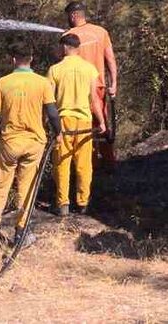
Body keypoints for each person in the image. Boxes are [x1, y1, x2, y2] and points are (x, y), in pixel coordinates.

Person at [0, 49, 60, 247]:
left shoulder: (3, 82)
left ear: (13, 59)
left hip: (10, 143)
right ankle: (21, 234)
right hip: (34, 143)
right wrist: (58, 132)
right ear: (31, 59)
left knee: (0, 187)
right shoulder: (43, 83)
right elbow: (52, 112)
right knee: (27, 188)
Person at [47, 33, 105, 216]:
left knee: (62, 163)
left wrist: (45, 123)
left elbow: (48, 101)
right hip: (84, 121)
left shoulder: (54, 70)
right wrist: (102, 122)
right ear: (77, 48)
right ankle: (83, 202)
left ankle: (62, 203)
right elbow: (95, 99)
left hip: (63, 122)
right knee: (83, 164)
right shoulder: (90, 69)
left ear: (64, 47)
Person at [62, 1, 119, 165]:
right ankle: (110, 163)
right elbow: (111, 60)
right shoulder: (101, 32)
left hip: (77, 90)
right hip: (99, 87)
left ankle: (89, 164)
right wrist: (114, 83)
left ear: (73, 15)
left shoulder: (68, 37)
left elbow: (63, 65)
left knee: (83, 128)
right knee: (102, 124)